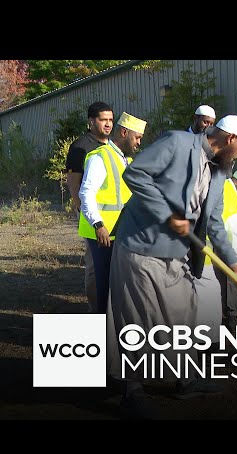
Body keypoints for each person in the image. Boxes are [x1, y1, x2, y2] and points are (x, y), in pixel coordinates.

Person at [106, 115, 237, 417]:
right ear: (231, 140)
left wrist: (234, 264)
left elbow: (213, 223)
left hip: (177, 252)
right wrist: (167, 214)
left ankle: (186, 380)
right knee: (137, 317)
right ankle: (131, 391)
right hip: (140, 246)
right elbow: (135, 174)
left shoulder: (220, 172)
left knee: (186, 311)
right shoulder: (177, 142)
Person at [78, 112, 146, 314]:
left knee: (114, 283)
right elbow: (86, 192)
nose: (139, 143)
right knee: (103, 284)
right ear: (124, 132)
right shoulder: (100, 157)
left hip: (118, 234)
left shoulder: (125, 159)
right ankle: (101, 331)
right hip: (103, 235)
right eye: (137, 137)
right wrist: (98, 225)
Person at [65, 101, 113, 313]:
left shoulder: (111, 146)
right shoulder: (80, 146)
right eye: (103, 120)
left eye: (111, 120)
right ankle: (96, 312)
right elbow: (73, 182)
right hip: (93, 218)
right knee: (94, 268)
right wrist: (81, 210)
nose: (108, 124)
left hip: (112, 219)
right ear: (91, 121)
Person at [200, 167, 237, 334]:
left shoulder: (223, 185)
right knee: (210, 302)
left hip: (200, 251)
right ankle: (210, 348)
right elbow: (236, 240)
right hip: (203, 255)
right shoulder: (231, 202)